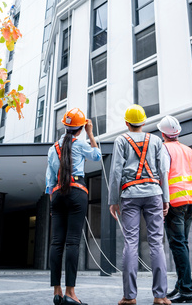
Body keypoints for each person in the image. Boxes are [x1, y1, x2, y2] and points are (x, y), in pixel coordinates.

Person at [108, 104, 172, 305]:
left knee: (131, 243)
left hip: (129, 194)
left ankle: (129, 297)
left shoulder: (121, 140)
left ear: (127, 123)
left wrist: (113, 200)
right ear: (144, 122)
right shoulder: (155, 140)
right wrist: (166, 198)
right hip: (154, 193)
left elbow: (116, 170)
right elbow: (163, 170)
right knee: (156, 243)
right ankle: (160, 296)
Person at [46, 108, 101, 305]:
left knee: (56, 242)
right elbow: (97, 156)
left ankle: (57, 291)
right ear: (79, 129)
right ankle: (70, 293)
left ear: (65, 125)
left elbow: (49, 180)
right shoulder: (81, 143)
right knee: (72, 242)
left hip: (58, 194)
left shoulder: (53, 148)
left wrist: (53, 200)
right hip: (77, 192)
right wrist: (90, 133)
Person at [157, 115, 192, 304]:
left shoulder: (163, 149)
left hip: (174, 203)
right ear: (178, 132)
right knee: (182, 244)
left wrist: (164, 201)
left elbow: (164, 174)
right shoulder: (188, 150)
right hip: (191, 202)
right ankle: (181, 286)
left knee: (178, 245)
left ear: (163, 133)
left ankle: (186, 290)